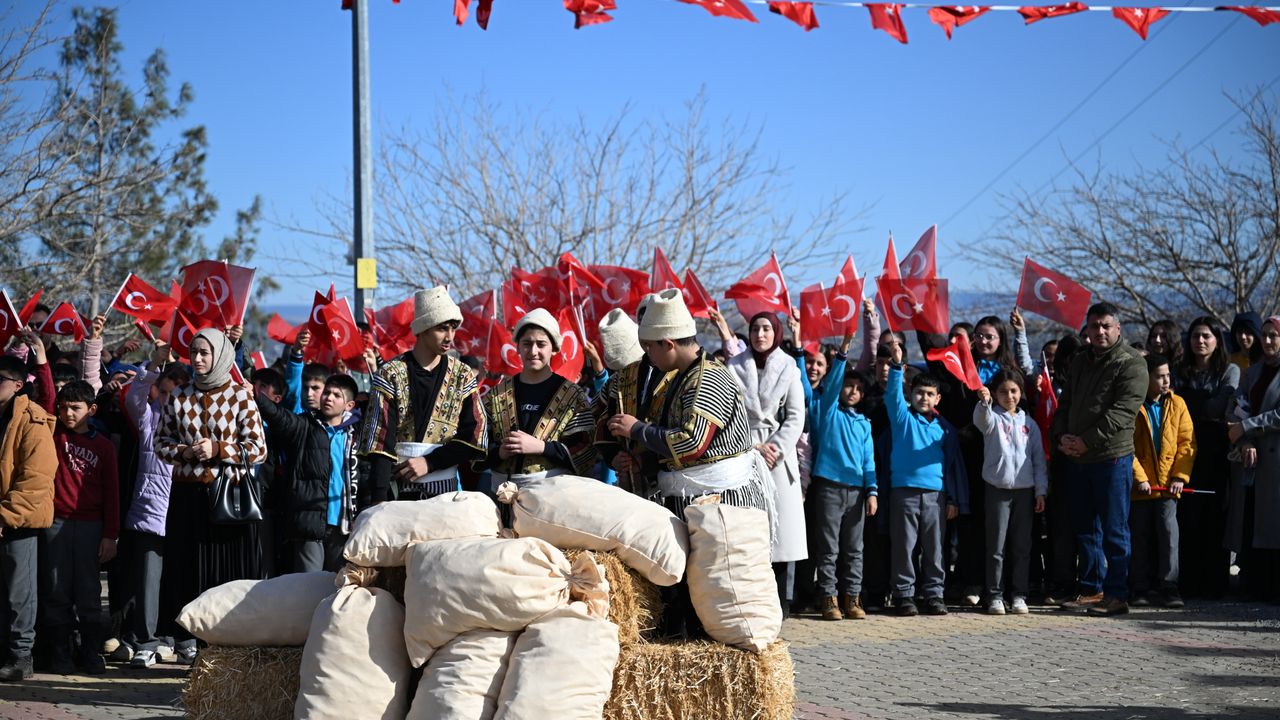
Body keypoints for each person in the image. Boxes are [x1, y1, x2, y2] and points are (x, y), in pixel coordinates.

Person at [154, 328, 266, 664]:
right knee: (188, 573)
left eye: (205, 353)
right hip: (187, 500)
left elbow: (258, 449)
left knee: (225, 577)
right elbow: (160, 444)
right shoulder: (179, 396)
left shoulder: (240, 396)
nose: (198, 359)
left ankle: (226, 652)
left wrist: (218, 449)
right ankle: (193, 646)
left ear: (220, 356)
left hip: (227, 500)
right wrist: (186, 452)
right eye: (194, 352)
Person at [1051, 302, 1148, 617]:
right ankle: (1093, 589)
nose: (1100, 331)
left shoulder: (1131, 363)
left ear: (1118, 328)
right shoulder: (1080, 360)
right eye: (1094, 326)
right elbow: (1065, 403)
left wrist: (1086, 441)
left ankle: (1117, 595)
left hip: (1111, 458)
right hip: (1077, 458)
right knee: (1085, 528)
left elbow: (1122, 412)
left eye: (1106, 326)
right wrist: (1062, 437)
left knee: (1114, 530)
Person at [357, 287, 486, 502]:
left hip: (446, 494)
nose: (449, 337)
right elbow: (380, 441)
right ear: (423, 328)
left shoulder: (462, 375)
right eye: (442, 328)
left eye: (453, 328)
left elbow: (475, 435)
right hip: (398, 493)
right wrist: (379, 500)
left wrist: (430, 462)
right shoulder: (390, 373)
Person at [728, 311, 807, 616]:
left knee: (781, 533)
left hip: (778, 459)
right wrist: (751, 446)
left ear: (776, 333)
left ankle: (781, 601)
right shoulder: (733, 366)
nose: (760, 335)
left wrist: (774, 448)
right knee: (747, 531)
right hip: (743, 454)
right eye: (755, 329)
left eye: (766, 329)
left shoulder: (789, 367)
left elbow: (796, 416)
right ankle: (750, 600)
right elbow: (729, 413)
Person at [118, 343, 189, 668]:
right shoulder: (149, 421)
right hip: (149, 515)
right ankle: (143, 641)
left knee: (179, 581)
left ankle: (179, 638)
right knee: (145, 583)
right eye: (164, 393)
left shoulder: (196, 427)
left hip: (182, 517)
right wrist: (153, 365)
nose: (169, 400)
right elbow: (134, 398)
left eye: (176, 394)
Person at [41, 380, 119, 675]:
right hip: (55, 523)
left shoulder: (104, 447)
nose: (68, 414)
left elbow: (112, 494)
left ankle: (90, 652)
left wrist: (110, 535)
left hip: (91, 527)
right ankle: (60, 653)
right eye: (63, 408)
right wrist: (41, 360)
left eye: (75, 408)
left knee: (88, 592)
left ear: (92, 410)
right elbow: (47, 395)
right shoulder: (54, 436)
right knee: (56, 590)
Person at [884, 366, 969, 617]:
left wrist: (952, 499)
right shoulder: (902, 419)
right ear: (910, 394)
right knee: (904, 547)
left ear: (938, 398)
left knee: (935, 549)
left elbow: (952, 467)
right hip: (904, 493)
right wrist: (896, 367)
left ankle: (934, 595)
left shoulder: (945, 429)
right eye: (919, 392)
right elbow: (892, 396)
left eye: (930, 394)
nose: (924, 397)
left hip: (936, 496)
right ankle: (904, 595)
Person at [255, 373, 360, 573]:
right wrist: (257, 397)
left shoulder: (356, 435)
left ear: (349, 405)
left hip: (344, 526)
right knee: (309, 585)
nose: (328, 398)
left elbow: (364, 476)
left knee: (339, 584)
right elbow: (279, 417)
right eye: (327, 392)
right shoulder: (305, 425)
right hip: (309, 525)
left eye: (336, 395)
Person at [807, 332, 877, 621]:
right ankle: (828, 598)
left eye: (858, 389)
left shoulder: (864, 424)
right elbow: (834, 382)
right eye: (849, 386)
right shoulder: (828, 412)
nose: (852, 391)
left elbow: (869, 460)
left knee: (854, 549)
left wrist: (872, 491)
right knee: (828, 549)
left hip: (857, 492)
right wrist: (844, 350)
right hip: (829, 488)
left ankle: (853, 598)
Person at [484, 308, 596, 488]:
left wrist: (542, 447)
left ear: (554, 349)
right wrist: (499, 453)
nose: (533, 351)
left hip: (552, 494)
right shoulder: (496, 395)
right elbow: (478, 446)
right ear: (517, 347)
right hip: (500, 494)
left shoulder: (573, 395)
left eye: (541, 344)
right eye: (527, 343)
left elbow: (586, 450)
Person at [0, 355, 56, 682]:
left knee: (18, 594)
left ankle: (21, 655)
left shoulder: (32, 419)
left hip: (18, 521)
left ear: (18, 385)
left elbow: (37, 478)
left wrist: (4, 516)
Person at [974, 369, 1047, 615]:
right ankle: (995, 595)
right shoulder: (992, 418)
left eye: (1014, 391)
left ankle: (1019, 594)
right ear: (995, 394)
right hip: (997, 490)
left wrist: (1040, 491)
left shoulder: (1030, 424)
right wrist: (984, 403)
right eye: (1003, 392)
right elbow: (981, 420)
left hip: (1025, 492)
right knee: (996, 546)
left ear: (1021, 392)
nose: (1009, 396)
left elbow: (1038, 460)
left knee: (1022, 546)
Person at [1176, 318, 1238, 598]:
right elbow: (1175, 405)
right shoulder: (1179, 370)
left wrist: (1188, 400)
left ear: (1217, 340)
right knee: (1188, 516)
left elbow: (1218, 407)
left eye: (1206, 336)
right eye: (1195, 336)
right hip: (1185, 449)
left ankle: (1215, 584)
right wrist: (1200, 402)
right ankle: (1189, 582)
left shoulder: (1229, 370)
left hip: (1216, 452)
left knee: (1215, 515)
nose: (1199, 341)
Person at [1129, 354, 1196, 609]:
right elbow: (1127, 446)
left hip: (1168, 486)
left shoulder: (1178, 404)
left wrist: (1179, 476)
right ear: (1145, 378)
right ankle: (1139, 587)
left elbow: (1187, 443)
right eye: (1159, 376)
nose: (1166, 380)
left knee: (1169, 534)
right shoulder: (1133, 405)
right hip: (1141, 488)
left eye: (1168, 375)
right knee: (1140, 536)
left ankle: (1169, 586)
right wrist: (1140, 478)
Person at [1226, 315, 1280, 600]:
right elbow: (1236, 406)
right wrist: (1244, 440)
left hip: (1276, 459)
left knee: (1274, 524)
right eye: (1265, 335)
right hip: (1252, 462)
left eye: (1274, 335)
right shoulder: (1253, 371)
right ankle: (1254, 584)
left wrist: (1247, 427)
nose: (1267, 340)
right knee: (1252, 523)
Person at [1146, 320, 1184, 385]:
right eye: (1154, 336)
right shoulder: (1144, 365)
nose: (1157, 340)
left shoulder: (1185, 366)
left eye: (1163, 336)